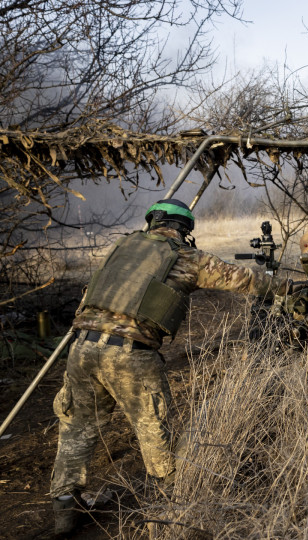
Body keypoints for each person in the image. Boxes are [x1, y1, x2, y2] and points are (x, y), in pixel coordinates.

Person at [49, 199, 292, 534]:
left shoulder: (121, 248)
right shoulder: (186, 257)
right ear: (184, 230)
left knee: (76, 428)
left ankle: (65, 510)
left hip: (82, 348)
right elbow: (244, 280)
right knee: (155, 436)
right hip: (131, 354)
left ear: (152, 223)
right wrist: (287, 287)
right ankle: (164, 513)